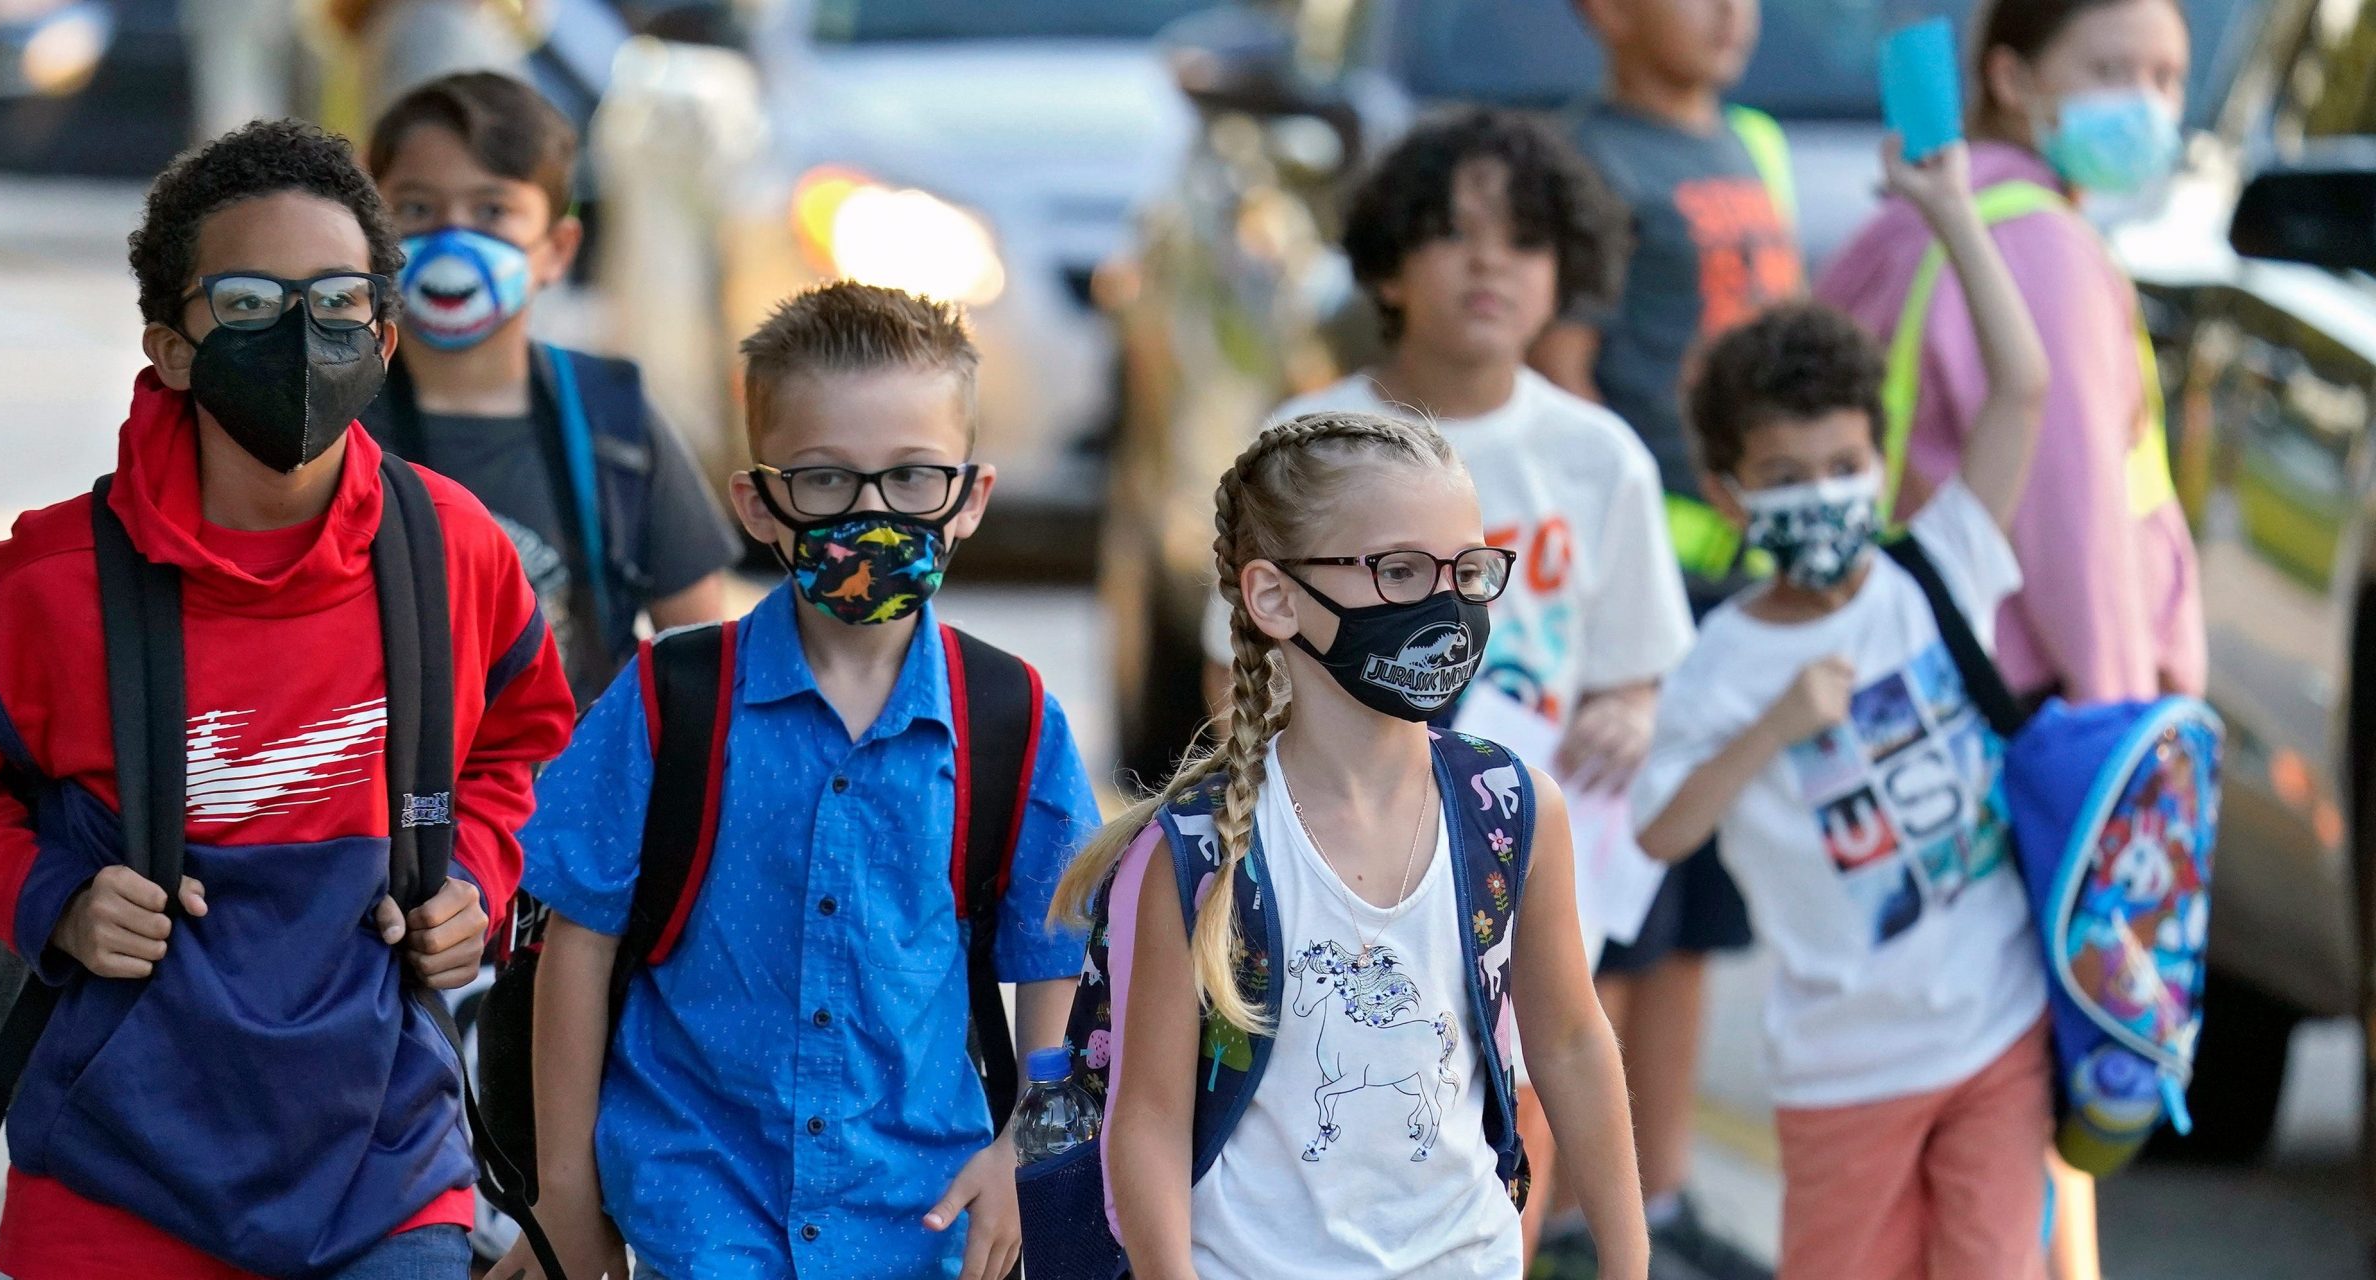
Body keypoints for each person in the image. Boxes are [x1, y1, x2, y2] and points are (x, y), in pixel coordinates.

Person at [0, 119, 578, 1280]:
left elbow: (535, 745)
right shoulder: (53, 584)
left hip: (385, 1176)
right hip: (115, 1184)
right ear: (171, 344)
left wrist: (477, 873)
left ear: (384, 337)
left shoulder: (453, 552)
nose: (300, 335)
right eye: (247, 302)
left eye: (337, 301)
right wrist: (52, 897)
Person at [496, 282, 1104, 1280]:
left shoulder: (1010, 716)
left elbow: (1054, 954)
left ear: (971, 497)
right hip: (696, 1197)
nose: (870, 511)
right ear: (757, 501)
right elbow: (578, 942)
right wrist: (562, 1189)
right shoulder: (672, 699)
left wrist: (1023, 1149)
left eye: (912, 476)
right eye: (824, 480)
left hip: (918, 1209)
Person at [1198, 108, 1685, 1267]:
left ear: (1567, 267)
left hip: (1515, 847)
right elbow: (1235, 669)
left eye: (1521, 240)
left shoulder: (1597, 453)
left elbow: (1638, 666)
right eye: (1453, 234)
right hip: (1337, 848)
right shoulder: (1306, 440)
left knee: (1521, 1076)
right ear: (1387, 261)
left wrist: (1626, 710)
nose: (1488, 263)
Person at [1815, 8, 2201, 1271]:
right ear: (2011, 75)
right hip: (2038, 735)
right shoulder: (2042, 254)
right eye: (2108, 71)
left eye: (2164, 76)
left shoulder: (1905, 229)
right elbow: (2077, 516)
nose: (2142, 102)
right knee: (2026, 1124)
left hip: (1893, 719)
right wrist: (2125, 754)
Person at [1091, 412, 1648, 1280]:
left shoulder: (1513, 808)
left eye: (1468, 570)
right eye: (1399, 571)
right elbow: (1149, 1121)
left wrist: (1627, 1260)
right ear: (1274, 597)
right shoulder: (1199, 852)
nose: (1447, 604)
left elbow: (1572, 1043)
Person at [1633, 139, 2052, 1279]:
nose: (1821, 492)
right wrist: (1772, 726)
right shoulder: (1720, 660)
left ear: (1878, 457)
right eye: (1784, 472)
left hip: (1995, 1030)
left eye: (1843, 462)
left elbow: (2022, 387)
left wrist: (1954, 215)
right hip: (1843, 1069)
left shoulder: (1940, 569)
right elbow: (1661, 828)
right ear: (1727, 491)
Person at [1532, 0, 1804, 1257]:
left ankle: (1672, 1186)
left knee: (1698, 898)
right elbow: (1570, 368)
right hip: (1648, 592)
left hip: (1742, 585)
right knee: (1618, 891)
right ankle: (1584, 1200)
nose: (1727, 15)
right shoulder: (1589, 164)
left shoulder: (1750, 138)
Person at [363, 70, 740, 705]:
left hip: (577, 796)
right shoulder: (335, 423)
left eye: (493, 211)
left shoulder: (613, 419)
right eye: (417, 209)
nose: (454, 238)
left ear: (557, 249)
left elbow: (704, 662)